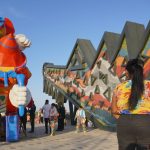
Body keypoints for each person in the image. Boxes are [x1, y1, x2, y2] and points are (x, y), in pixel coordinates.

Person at [111, 58, 150, 150]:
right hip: (146, 123)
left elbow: (113, 110)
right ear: (141, 71)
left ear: (127, 72)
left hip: (124, 124)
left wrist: (123, 118)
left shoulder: (119, 87)